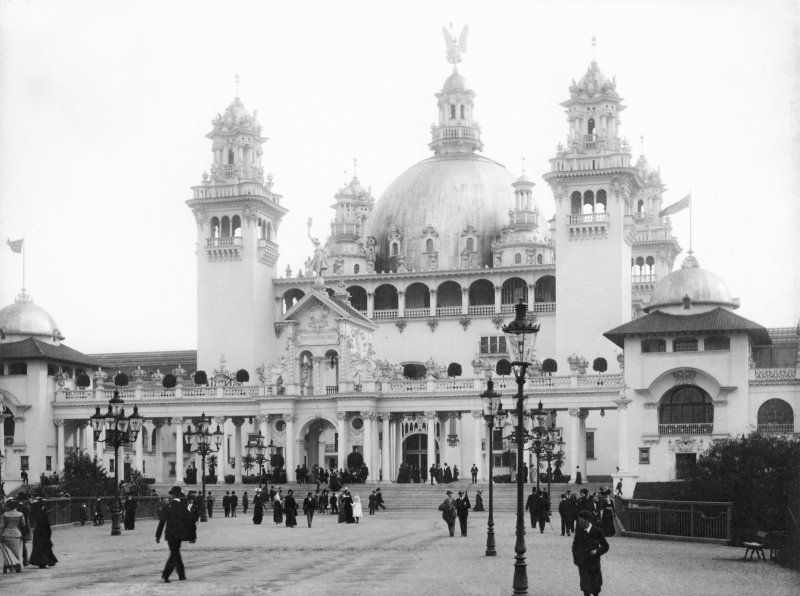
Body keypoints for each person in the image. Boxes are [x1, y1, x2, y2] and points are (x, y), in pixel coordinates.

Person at [155, 486, 197, 583]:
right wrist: (192, 535)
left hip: (169, 534)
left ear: (173, 495)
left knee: (175, 553)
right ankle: (179, 575)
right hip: (179, 534)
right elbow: (190, 521)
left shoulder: (168, 506)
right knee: (175, 553)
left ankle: (170, 574)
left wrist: (158, 535)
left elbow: (162, 522)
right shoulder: (183, 506)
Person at [572, 510, 610, 596]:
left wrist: (597, 551)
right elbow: (574, 546)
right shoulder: (579, 532)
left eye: (580, 521)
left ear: (587, 520)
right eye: (578, 520)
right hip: (583, 563)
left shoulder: (597, 531)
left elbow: (606, 546)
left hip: (594, 564)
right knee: (586, 588)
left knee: (596, 587)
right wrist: (576, 559)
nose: (579, 523)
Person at [28, 499, 57, 569]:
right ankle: (46, 561)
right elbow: (47, 522)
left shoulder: (34, 512)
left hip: (38, 531)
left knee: (38, 546)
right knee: (46, 546)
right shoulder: (42, 512)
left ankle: (41, 561)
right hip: (44, 530)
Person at [0, 499, 25, 573]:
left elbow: (1, 526)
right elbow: (23, 524)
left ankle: (7, 564)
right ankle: (17, 565)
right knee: (16, 551)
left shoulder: (4, 515)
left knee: (7, 551)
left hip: (6, 533)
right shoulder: (20, 514)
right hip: (16, 533)